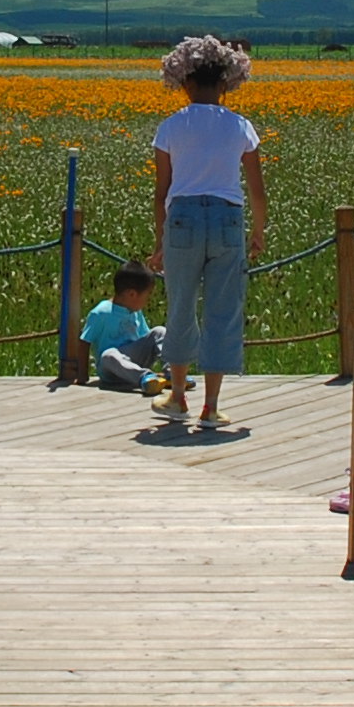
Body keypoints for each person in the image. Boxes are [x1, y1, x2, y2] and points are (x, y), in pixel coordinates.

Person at [147, 34, 265, 431]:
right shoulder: (241, 127)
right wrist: (258, 230)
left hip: (181, 219)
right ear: (225, 85)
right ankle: (211, 407)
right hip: (228, 219)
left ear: (186, 83)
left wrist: (159, 241)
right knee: (223, 309)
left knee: (181, 305)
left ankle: (178, 396)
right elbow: (256, 187)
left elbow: (161, 192)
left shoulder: (170, 127)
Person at [80, 262, 166, 394]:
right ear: (132, 294)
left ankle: (171, 373)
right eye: (147, 296)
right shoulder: (101, 312)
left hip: (135, 360)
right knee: (109, 355)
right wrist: (82, 375)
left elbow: (145, 336)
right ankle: (144, 377)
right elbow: (85, 342)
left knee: (160, 331)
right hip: (112, 369)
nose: (147, 301)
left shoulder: (135, 311)